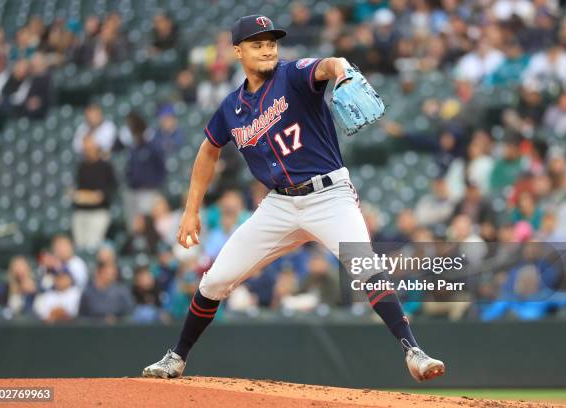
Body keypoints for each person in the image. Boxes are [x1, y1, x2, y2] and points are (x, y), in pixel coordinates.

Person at [142, 15, 444, 382]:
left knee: (365, 266)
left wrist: (344, 70)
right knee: (214, 281)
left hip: (329, 195)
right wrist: (190, 210)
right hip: (279, 205)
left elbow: (327, 65)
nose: (268, 48)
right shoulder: (231, 108)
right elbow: (209, 150)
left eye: (271, 42)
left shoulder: (293, 75)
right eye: (257, 43)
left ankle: (413, 351)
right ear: (237, 51)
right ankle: (176, 357)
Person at [72, 136, 117, 250]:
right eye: (85, 148)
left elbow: (113, 187)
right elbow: (79, 187)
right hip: (81, 210)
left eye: (90, 147)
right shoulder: (81, 166)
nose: (87, 150)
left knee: (93, 245)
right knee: (80, 246)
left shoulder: (105, 166)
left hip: (99, 211)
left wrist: (102, 195)